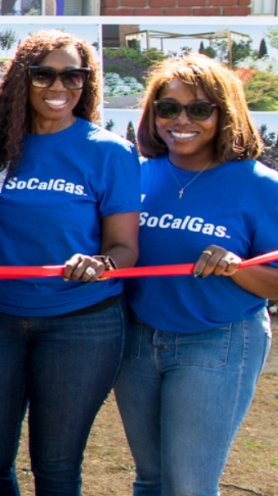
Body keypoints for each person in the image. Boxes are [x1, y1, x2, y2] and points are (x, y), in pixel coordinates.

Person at [0, 30, 139, 496]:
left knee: (56, 465)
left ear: (87, 82)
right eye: (44, 75)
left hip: (80, 324)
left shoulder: (109, 152)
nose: (59, 86)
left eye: (73, 76)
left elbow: (124, 248)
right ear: (23, 80)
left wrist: (101, 262)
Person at [116, 54, 277, 496]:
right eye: (168, 108)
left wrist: (238, 268)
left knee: (188, 486)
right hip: (136, 338)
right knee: (150, 480)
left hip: (217, 339)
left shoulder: (261, 185)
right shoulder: (134, 175)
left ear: (225, 115)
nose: (181, 120)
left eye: (199, 109)